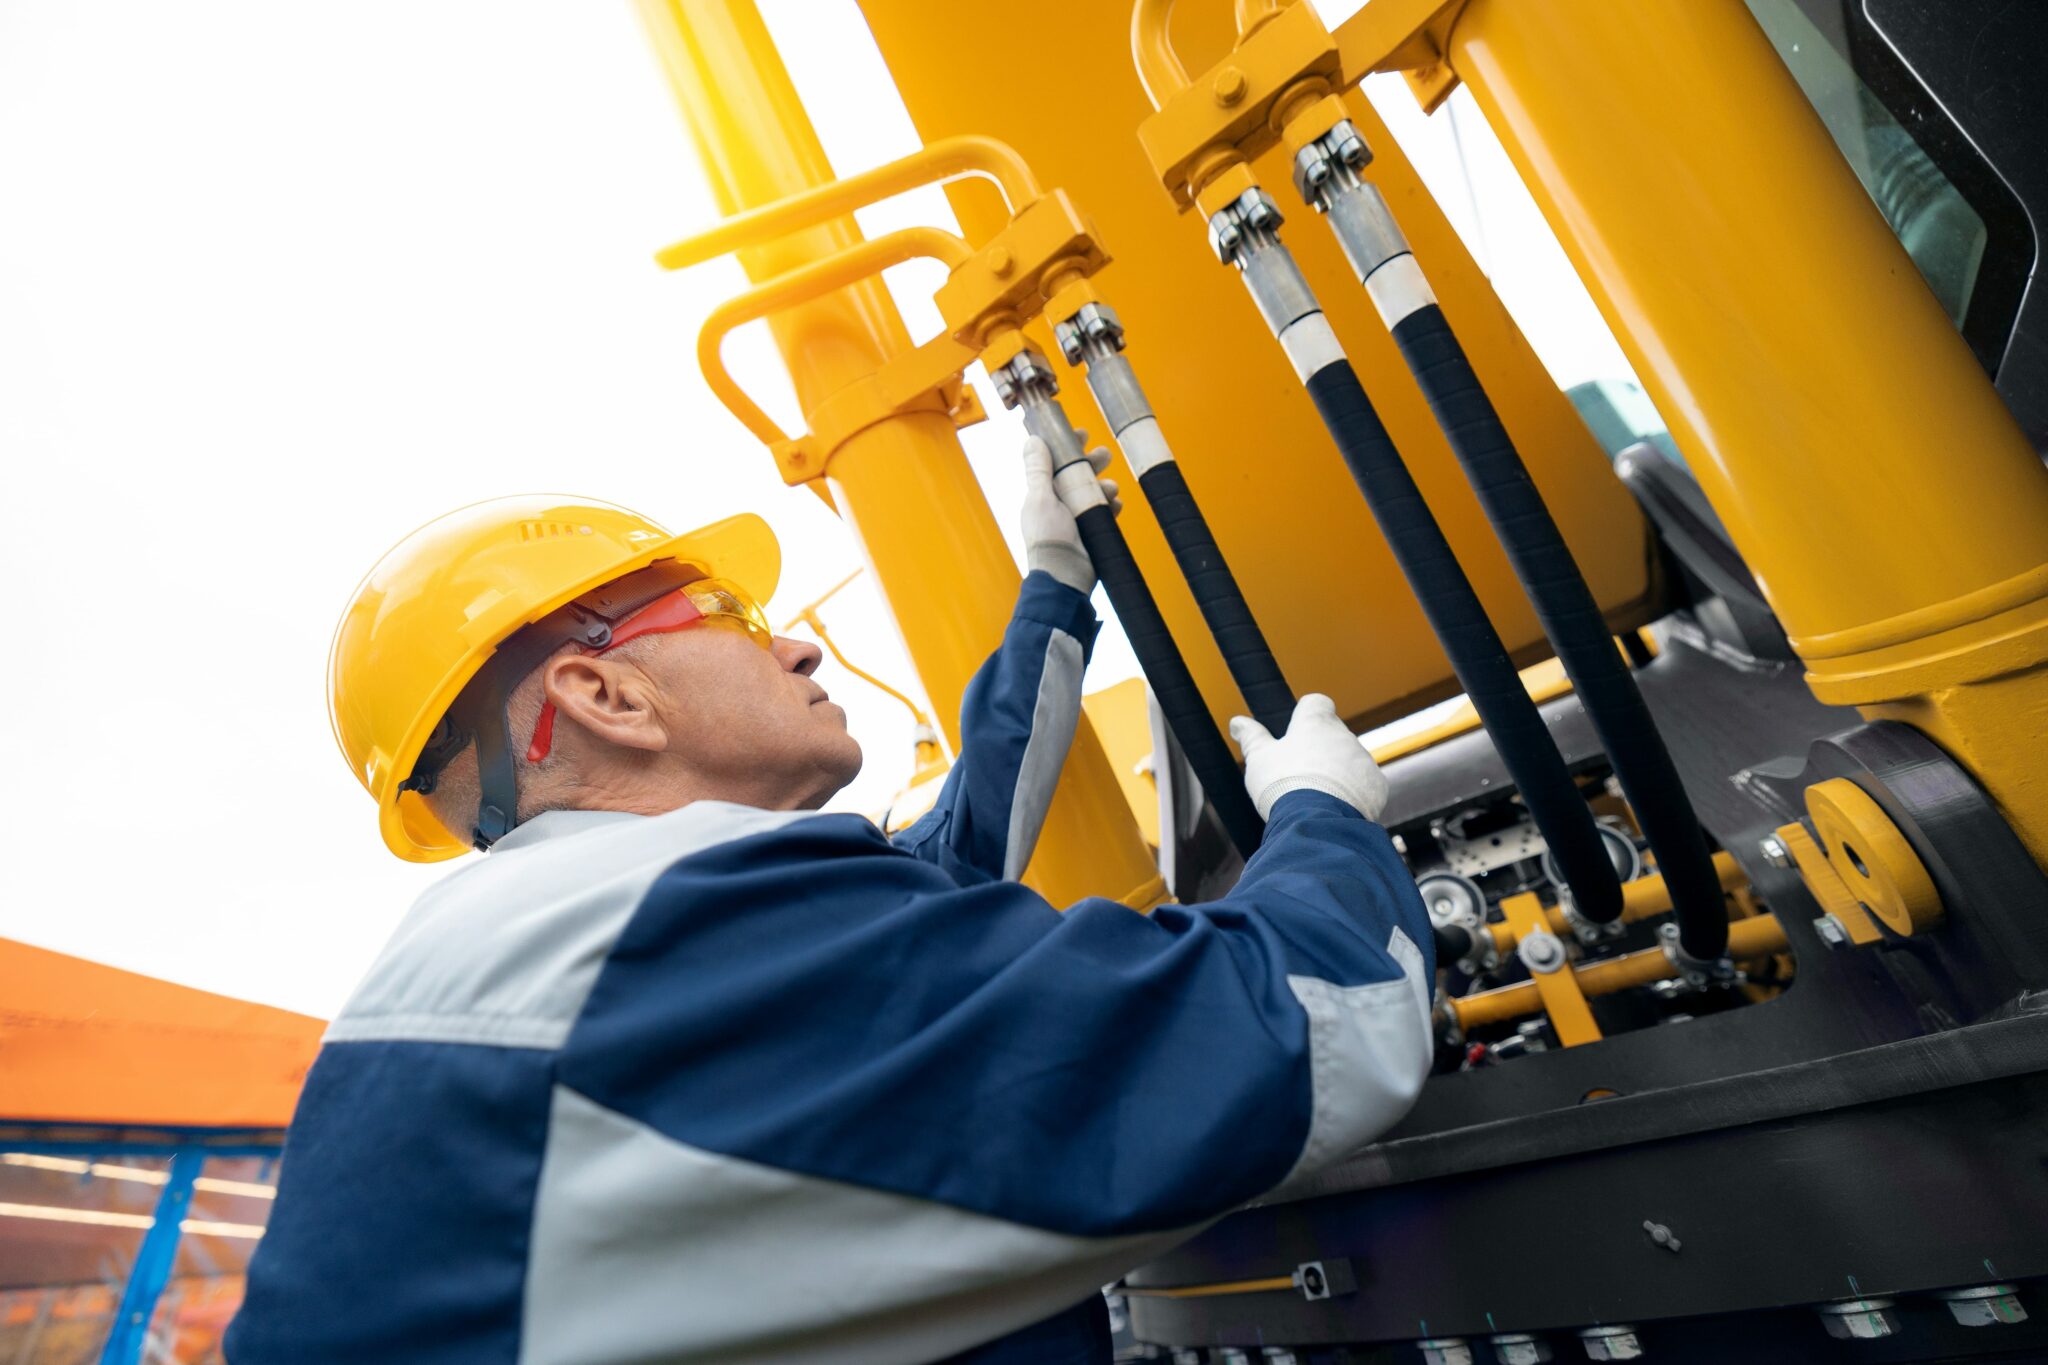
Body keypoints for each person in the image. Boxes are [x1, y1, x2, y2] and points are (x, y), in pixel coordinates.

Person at [227, 437, 1433, 1365]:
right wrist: (1322, 813)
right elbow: (1318, 1024)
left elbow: (939, 868)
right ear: (606, 696)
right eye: (737, 620)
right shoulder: (673, 932)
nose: (798, 650)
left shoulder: (548, 940)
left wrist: (1053, 589)